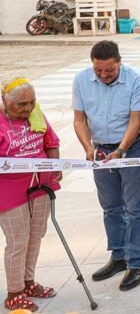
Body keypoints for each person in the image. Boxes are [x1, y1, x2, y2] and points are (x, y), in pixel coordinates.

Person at [72, 40, 140, 291]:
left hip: (131, 147)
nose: (104, 75)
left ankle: (136, 262)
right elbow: (79, 119)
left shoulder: (137, 80)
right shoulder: (81, 80)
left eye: (110, 70)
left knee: (135, 208)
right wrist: (88, 148)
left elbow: (135, 121)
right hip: (100, 149)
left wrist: (121, 151)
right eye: (99, 70)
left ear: (119, 62)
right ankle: (118, 257)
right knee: (111, 207)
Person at [1, 78, 61, 312]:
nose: (28, 108)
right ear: (5, 102)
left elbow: (51, 141)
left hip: (40, 186)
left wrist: (54, 165)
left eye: (31, 102)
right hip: (8, 190)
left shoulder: (35, 113)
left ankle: (28, 282)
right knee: (18, 241)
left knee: (36, 235)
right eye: (21, 104)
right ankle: (14, 292)